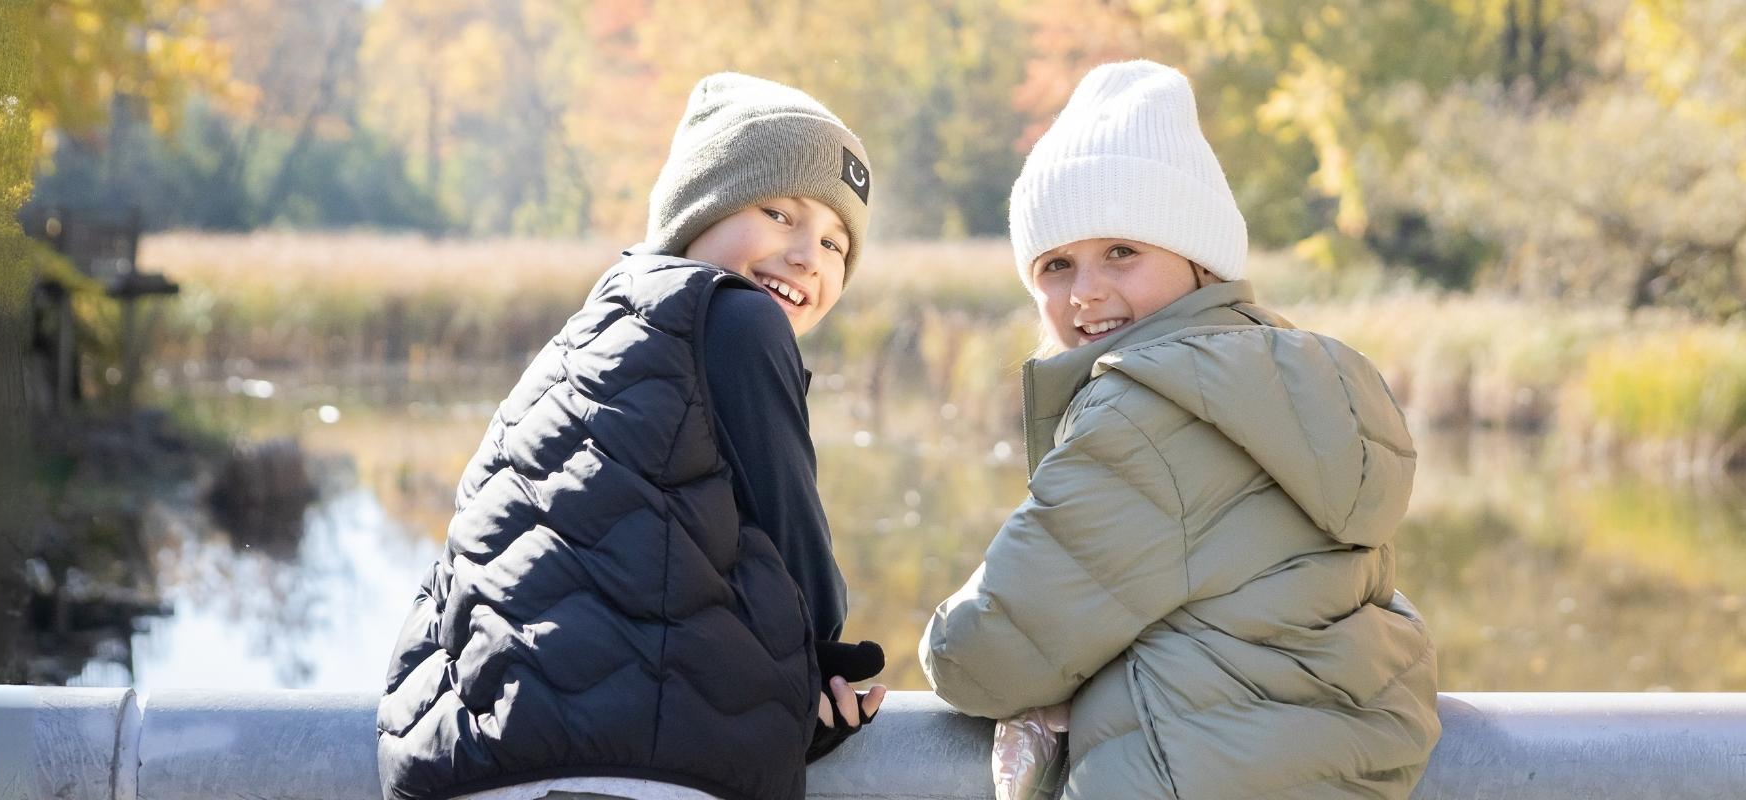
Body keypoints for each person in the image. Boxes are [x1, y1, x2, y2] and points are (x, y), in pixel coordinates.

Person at [921, 60, 1441, 799]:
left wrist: (989, 649)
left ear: (1199, 259)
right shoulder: (1294, 385)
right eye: (1057, 265)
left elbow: (983, 658)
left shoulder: (1149, 410)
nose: (1086, 291)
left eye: (1122, 251)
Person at [378, 72, 886, 800]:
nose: (809, 255)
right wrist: (819, 672)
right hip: (624, 766)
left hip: (468, 748)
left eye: (837, 244)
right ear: (698, 208)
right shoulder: (739, 318)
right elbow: (800, 561)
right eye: (779, 212)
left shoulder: (591, 334)